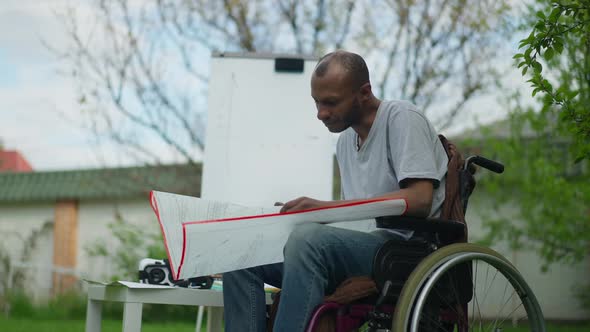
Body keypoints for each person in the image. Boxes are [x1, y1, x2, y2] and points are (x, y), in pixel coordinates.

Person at [222, 50, 448, 332]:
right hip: (363, 246)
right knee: (240, 255)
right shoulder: (345, 143)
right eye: (316, 102)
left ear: (364, 92)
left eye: (331, 102)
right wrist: (309, 215)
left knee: (307, 241)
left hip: (401, 251)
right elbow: (356, 215)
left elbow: (420, 198)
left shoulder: (401, 118)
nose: (320, 113)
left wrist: (325, 209)